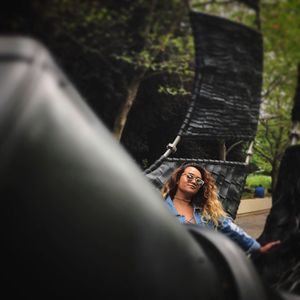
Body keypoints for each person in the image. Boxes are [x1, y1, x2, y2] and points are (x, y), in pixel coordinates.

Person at [161, 163, 280, 255]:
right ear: (177, 179)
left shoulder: (207, 212)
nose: (194, 181)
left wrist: (257, 248)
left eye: (199, 180)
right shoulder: (159, 208)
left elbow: (232, 229)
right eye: (190, 176)